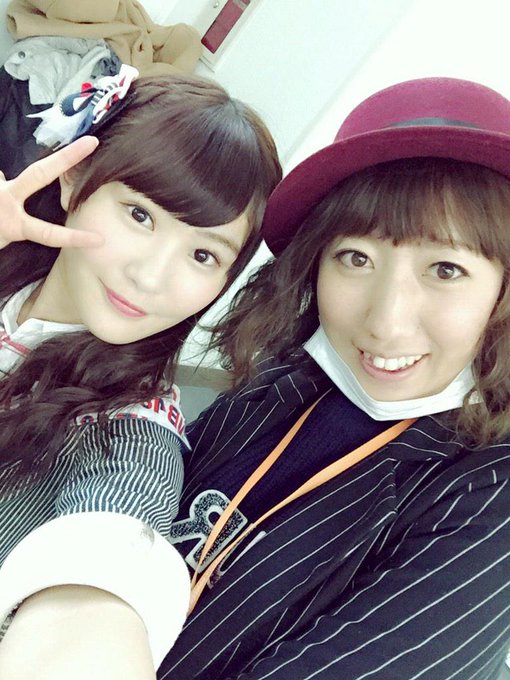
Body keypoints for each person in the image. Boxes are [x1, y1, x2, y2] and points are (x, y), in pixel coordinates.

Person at [155, 77, 510, 679]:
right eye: (356, 258)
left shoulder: (488, 496)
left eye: (445, 269)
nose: (385, 323)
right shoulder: (286, 380)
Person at [0, 71, 281, 679]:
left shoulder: (130, 440)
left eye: (202, 254)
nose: (151, 277)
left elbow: (100, 583)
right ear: (74, 179)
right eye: (140, 215)